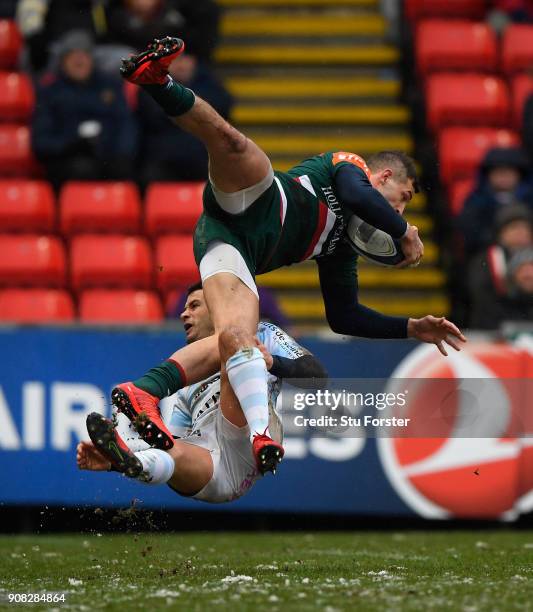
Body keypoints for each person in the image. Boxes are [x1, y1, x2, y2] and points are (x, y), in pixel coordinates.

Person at [110, 37, 466, 475]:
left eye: (406, 208)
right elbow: (358, 194)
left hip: (229, 247)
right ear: (386, 176)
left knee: (235, 341)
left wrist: (410, 327)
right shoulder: (349, 167)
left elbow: (344, 317)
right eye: (403, 197)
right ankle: (157, 80)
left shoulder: (340, 247)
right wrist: (402, 231)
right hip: (254, 200)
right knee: (233, 144)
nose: (401, 209)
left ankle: (144, 391)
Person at [77, 283, 327, 497]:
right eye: (185, 308)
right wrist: (114, 460)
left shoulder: (262, 333)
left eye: (194, 306)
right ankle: (129, 463)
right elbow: (171, 440)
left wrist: (272, 362)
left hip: (244, 442)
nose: (184, 314)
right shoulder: (189, 376)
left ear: (218, 306)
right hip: (213, 474)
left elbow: (318, 376)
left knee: (234, 337)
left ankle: (260, 435)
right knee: (171, 453)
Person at [31, 30, 138, 190]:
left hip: (109, 158)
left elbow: (126, 124)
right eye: (72, 56)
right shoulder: (50, 93)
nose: (79, 60)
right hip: (67, 163)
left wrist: (121, 154)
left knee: (127, 172)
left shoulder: (111, 86)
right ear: (62, 62)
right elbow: (41, 142)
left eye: (84, 55)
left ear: (92, 59)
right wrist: (72, 145)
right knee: (82, 169)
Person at [136, 52, 233, 186]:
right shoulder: (152, 87)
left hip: (202, 157)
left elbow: (223, 108)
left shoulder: (210, 84)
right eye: (175, 61)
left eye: (185, 59)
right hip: (163, 157)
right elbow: (153, 114)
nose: (181, 65)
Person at [458, 146, 533, 258]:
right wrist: (501, 241)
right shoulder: (476, 201)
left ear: (519, 175)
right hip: (488, 256)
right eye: (499, 172)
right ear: (488, 175)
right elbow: (470, 233)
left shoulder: (529, 199)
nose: (504, 177)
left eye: (509, 172)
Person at [467, 204, 533, 328]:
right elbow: (482, 300)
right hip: (493, 330)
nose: (521, 233)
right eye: (514, 227)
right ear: (501, 233)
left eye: (525, 228)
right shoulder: (486, 261)